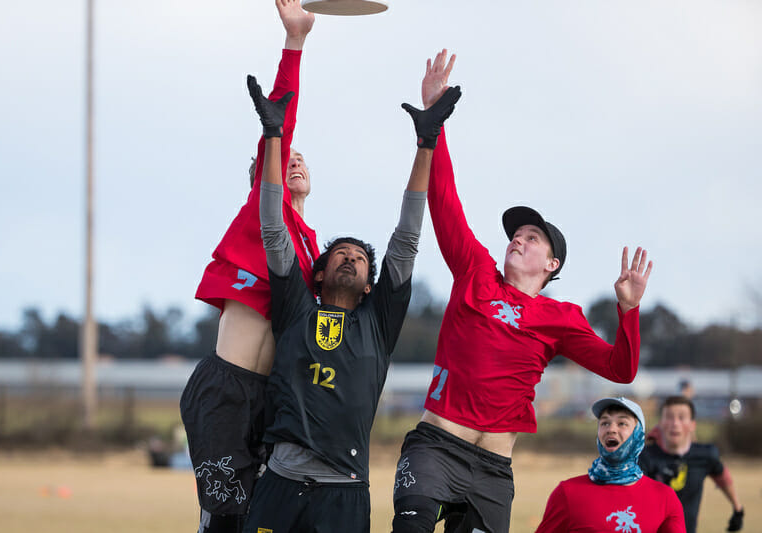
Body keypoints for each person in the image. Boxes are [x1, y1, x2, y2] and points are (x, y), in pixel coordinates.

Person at [391, 50, 654, 533]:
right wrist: (432, 130)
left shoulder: (563, 318)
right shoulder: (475, 271)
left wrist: (629, 310)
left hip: (493, 469)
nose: (518, 238)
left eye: (533, 238)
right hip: (436, 446)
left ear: (552, 264)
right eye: (516, 233)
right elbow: (444, 200)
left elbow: (622, 368)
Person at [240, 65, 461, 532]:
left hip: (343, 491)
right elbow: (273, 229)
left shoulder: (378, 324)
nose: (349, 258)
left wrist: (427, 144)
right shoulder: (296, 308)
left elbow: (407, 237)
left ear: (369, 286)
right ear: (317, 275)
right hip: (280, 482)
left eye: (359, 258)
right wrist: (273, 135)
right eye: (339, 253)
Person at [179, 2, 319, 532]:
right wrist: (295, 43)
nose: (296, 160)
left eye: (305, 156)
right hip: (227, 386)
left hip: (275, 397)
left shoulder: (313, 252)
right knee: (225, 520)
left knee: (266, 517)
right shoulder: (265, 219)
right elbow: (281, 122)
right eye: (288, 158)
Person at [536, 397, 685, 532]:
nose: (611, 429)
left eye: (622, 423)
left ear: (638, 434)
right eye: (605, 423)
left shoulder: (665, 497)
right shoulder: (567, 493)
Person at [640, 396, 744, 532]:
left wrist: (737, 509)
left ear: (692, 425)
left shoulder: (706, 455)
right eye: (669, 417)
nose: (675, 423)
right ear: (660, 423)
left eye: (681, 417)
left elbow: (722, 475)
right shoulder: (645, 456)